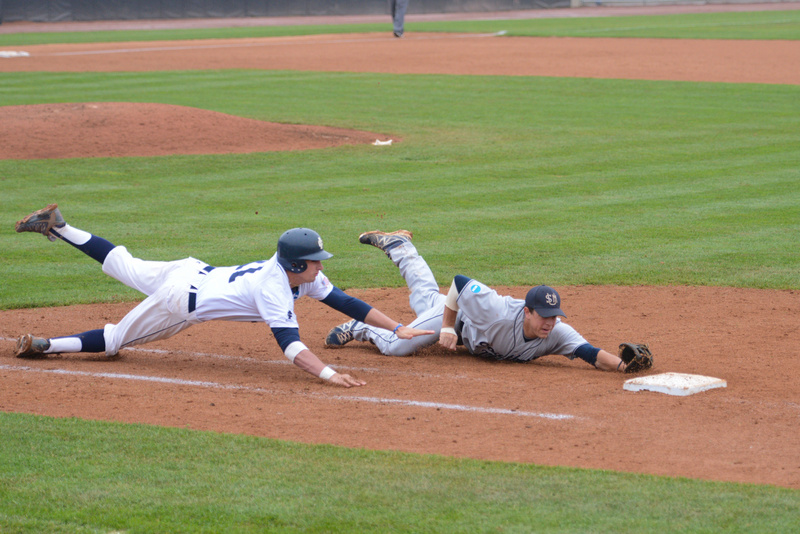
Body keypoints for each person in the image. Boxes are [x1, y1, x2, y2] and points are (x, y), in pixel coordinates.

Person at [12, 205, 434, 388]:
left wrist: (398, 327)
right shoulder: (274, 289)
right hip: (182, 300)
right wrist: (329, 374)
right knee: (116, 340)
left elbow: (346, 303)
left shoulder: (296, 274)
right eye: (315, 261)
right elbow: (291, 347)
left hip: (188, 270)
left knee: (121, 260)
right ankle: (48, 346)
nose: (321, 266)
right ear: (294, 265)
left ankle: (59, 226)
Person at [325, 230, 634, 372]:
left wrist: (624, 366)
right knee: (400, 345)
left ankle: (400, 247)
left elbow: (591, 353)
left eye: (555, 316)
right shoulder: (497, 310)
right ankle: (360, 327)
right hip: (460, 320)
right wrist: (447, 327)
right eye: (545, 316)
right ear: (527, 312)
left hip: (463, 325)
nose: (551, 322)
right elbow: (460, 283)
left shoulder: (556, 333)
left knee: (427, 300)